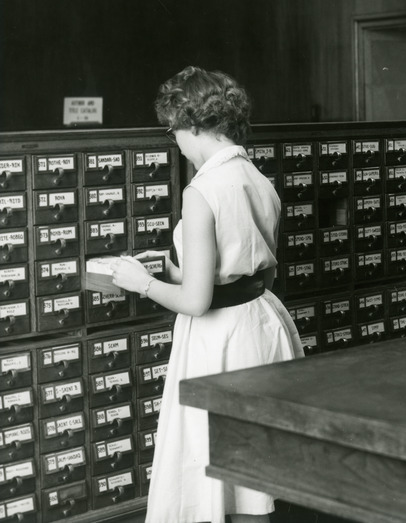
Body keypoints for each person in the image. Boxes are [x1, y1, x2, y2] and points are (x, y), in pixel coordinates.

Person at [110, 66, 304, 523]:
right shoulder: (258, 180)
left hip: (218, 344)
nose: (174, 141)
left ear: (192, 124)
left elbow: (197, 303)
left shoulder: (201, 192)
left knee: (216, 468)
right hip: (262, 325)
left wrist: (143, 282)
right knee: (255, 473)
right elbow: (257, 276)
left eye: (173, 130)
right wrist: (180, 270)